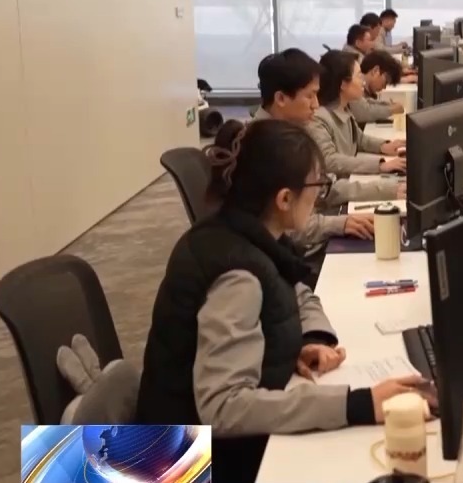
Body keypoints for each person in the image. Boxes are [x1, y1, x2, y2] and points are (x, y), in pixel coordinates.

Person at [135, 119, 432, 483]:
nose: (320, 196)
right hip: (188, 464)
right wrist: (358, 404)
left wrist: (308, 339)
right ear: (284, 199)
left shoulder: (248, 232)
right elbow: (224, 407)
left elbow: (294, 287)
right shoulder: (237, 276)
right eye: (317, 186)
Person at [252, 51, 392, 245]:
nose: (316, 105)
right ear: (281, 99)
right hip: (299, 250)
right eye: (310, 96)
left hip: (315, 228)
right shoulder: (261, 148)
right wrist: (339, 224)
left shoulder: (291, 131)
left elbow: (326, 190)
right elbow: (282, 232)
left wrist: (388, 189)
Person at [309, 50, 407, 177]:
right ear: (343, 84)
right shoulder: (319, 119)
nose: (363, 82)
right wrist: (380, 165)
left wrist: (384, 146)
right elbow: (329, 160)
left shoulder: (343, 108)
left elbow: (359, 139)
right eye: (359, 76)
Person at [346, 49, 405, 124]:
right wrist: (392, 109)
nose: (384, 87)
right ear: (375, 71)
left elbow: (367, 102)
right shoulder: (353, 84)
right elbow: (363, 112)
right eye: (385, 82)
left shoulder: (365, 91)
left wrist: (388, 105)